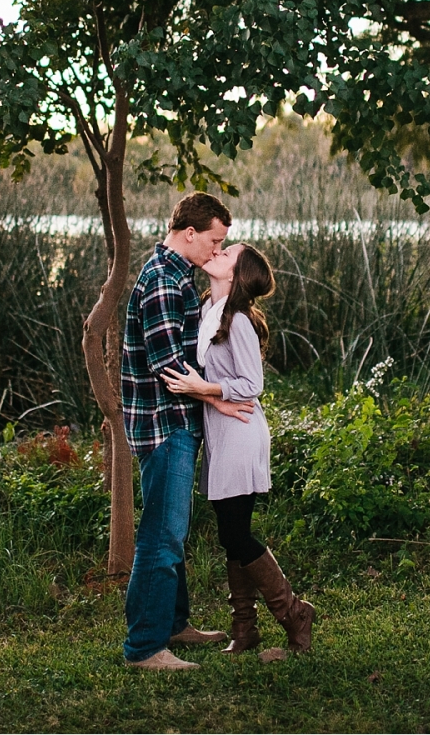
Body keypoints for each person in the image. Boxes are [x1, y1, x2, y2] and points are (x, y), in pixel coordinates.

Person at [162, 242, 316, 656]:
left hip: (242, 432)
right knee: (232, 535)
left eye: (227, 252)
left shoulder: (241, 321)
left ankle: (294, 612)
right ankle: (244, 630)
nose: (218, 251)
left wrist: (204, 389)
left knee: (235, 532)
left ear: (236, 274)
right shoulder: (209, 312)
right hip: (221, 432)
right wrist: (208, 395)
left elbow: (252, 384)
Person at [120, 192, 250, 672]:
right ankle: (145, 648)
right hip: (163, 423)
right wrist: (221, 398)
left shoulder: (179, 276)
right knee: (162, 535)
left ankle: (175, 624)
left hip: (178, 420)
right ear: (190, 233)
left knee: (171, 529)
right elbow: (168, 367)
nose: (218, 251)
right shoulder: (160, 281)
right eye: (216, 241)